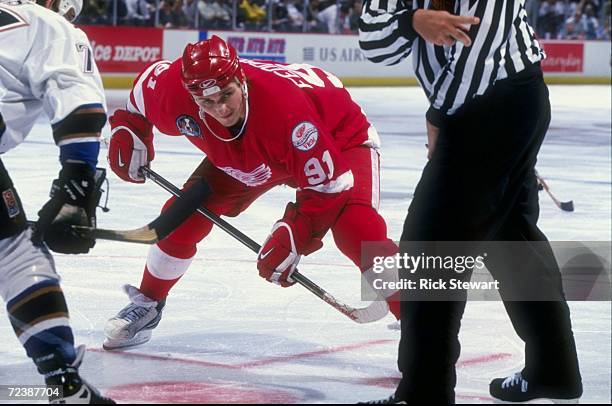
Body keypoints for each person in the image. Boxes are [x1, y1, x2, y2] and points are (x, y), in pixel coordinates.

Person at [102, 35, 401, 351]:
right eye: (207, 103)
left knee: (358, 230)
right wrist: (129, 129)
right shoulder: (172, 91)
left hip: (338, 137)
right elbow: (138, 97)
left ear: (240, 78)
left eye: (227, 95)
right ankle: (148, 303)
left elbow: (329, 185)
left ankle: (423, 318)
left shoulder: (284, 110)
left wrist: (295, 233)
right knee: (180, 218)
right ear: (191, 95)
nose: (221, 109)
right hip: (253, 151)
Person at [359, 0, 582, 403]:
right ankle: (554, 368)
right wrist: (414, 21)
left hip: (497, 102)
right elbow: (374, 42)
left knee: (430, 249)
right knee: (511, 241)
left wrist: (440, 117)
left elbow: (478, 53)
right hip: (488, 106)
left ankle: (424, 393)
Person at [0, 0, 114, 403]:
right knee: (15, 253)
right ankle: (65, 385)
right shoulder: (48, 23)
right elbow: (79, 101)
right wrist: (77, 184)